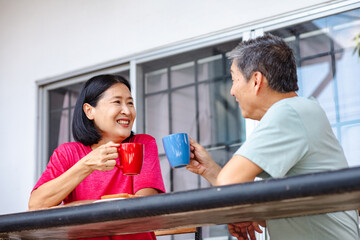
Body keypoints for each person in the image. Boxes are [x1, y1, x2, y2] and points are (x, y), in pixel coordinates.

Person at [186, 34, 360, 240]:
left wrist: (242, 210)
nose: (232, 91)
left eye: (234, 80)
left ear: (256, 81)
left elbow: (229, 184)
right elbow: (288, 215)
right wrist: (211, 171)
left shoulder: (288, 112)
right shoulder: (301, 110)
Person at [29, 74, 165, 240]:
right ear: (89, 111)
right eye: (117, 102)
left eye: (130, 103)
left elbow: (144, 208)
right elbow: (36, 206)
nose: (127, 111)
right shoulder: (68, 153)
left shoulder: (141, 144)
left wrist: (76, 207)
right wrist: (86, 165)